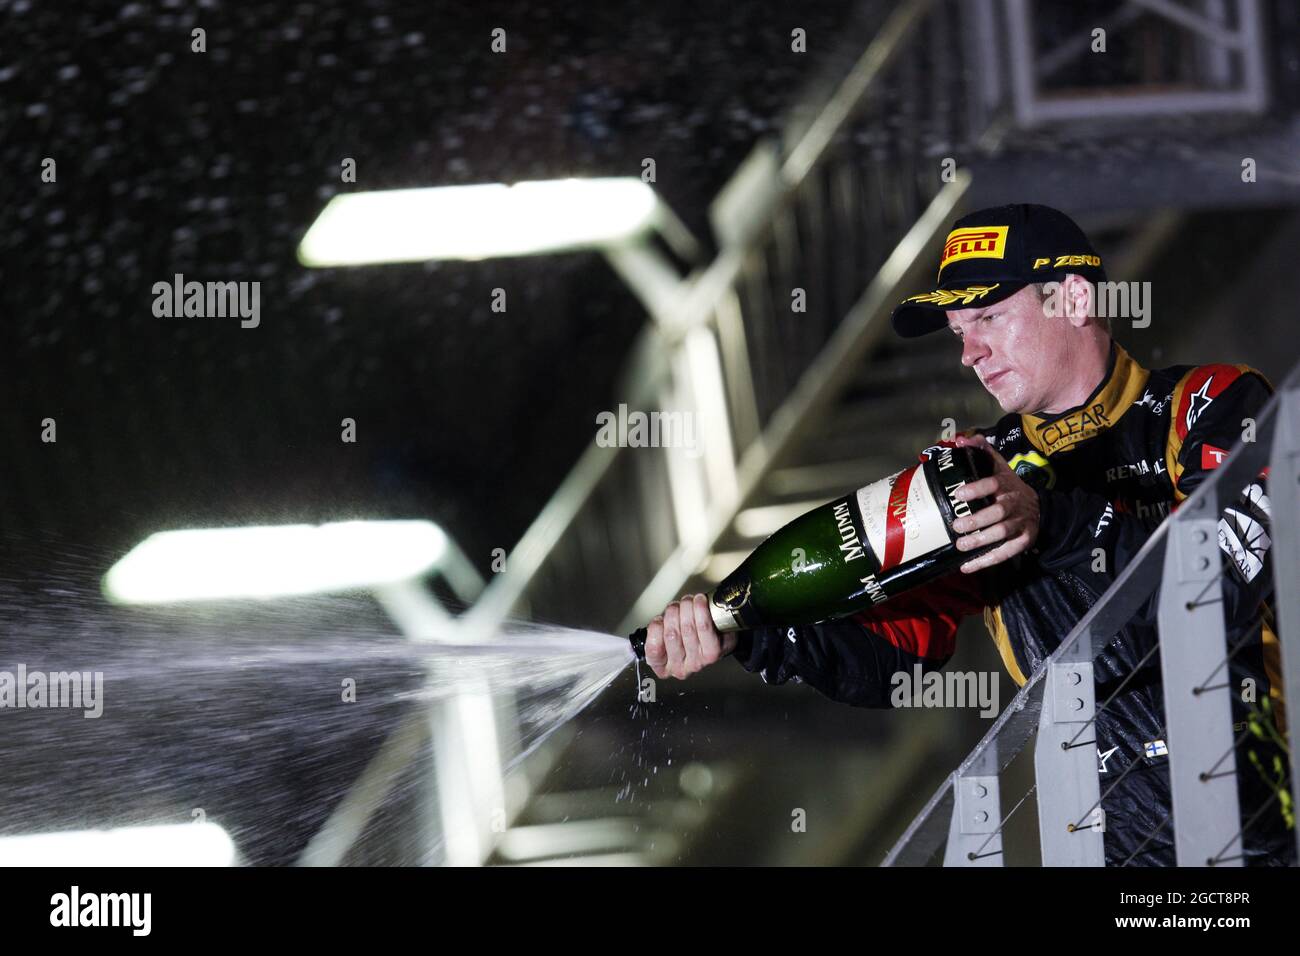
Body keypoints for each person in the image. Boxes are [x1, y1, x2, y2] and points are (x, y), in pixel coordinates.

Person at [639, 203, 1289, 866]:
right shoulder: (970, 472)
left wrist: (1047, 519)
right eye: (957, 330)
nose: (969, 353)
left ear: (1073, 297)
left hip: (1274, 814)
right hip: (1112, 850)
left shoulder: (1210, 401)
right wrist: (753, 634)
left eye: (987, 318)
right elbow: (894, 654)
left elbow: (1210, 588)